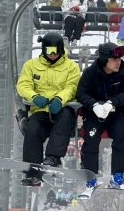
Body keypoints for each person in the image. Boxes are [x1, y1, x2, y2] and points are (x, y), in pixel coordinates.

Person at [16, 32, 81, 186]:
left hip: (63, 108)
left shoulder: (70, 67)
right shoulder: (31, 66)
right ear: (43, 49)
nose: (52, 54)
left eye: (56, 50)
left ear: (61, 49)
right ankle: (33, 172)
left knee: (64, 121)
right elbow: (23, 85)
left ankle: (53, 158)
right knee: (33, 128)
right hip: (41, 110)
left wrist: (60, 98)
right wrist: (34, 97)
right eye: (49, 50)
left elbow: (72, 87)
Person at [76, 42, 124, 191]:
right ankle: (90, 177)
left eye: (119, 59)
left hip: (116, 112)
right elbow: (81, 93)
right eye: (114, 59)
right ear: (104, 60)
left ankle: (118, 175)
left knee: (121, 136)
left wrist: (112, 102)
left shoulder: (123, 73)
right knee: (91, 137)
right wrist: (93, 105)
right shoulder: (90, 73)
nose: (118, 62)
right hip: (94, 113)